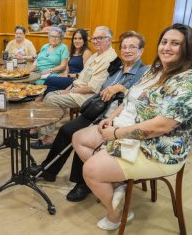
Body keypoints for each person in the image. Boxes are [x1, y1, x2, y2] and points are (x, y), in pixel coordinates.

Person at [73, 23, 192, 231]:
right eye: (164, 42)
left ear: (189, 48)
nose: (166, 47)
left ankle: (117, 215)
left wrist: (116, 133)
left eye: (175, 43)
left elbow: (161, 126)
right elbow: (131, 98)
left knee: (90, 170)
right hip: (132, 129)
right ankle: (117, 184)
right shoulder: (156, 70)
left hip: (159, 148)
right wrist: (112, 117)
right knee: (79, 138)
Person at [34, 31, 150, 203]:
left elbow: (139, 99)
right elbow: (102, 88)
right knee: (66, 129)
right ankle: (48, 170)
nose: (127, 50)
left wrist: (121, 89)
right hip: (97, 109)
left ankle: (83, 183)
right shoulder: (117, 67)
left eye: (132, 47)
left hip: (116, 117)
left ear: (141, 50)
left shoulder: (144, 71)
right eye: (124, 47)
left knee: (81, 137)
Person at [33, 26, 117, 147]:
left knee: (51, 98)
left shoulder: (108, 59)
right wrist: (67, 89)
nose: (95, 41)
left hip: (88, 96)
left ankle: (47, 138)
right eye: (94, 38)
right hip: (77, 88)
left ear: (109, 39)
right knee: (50, 93)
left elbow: (93, 88)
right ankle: (44, 132)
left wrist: (71, 90)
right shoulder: (96, 55)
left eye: (100, 38)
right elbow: (79, 77)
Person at [43, 29, 92, 95]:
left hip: (76, 80)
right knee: (50, 88)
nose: (77, 41)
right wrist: (63, 74)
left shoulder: (86, 52)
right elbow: (67, 69)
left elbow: (85, 74)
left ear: (84, 40)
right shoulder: (72, 52)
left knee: (49, 80)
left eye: (80, 38)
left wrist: (68, 75)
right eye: (75, 38)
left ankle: (39, 100)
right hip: (68, 78)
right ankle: (45, 101)